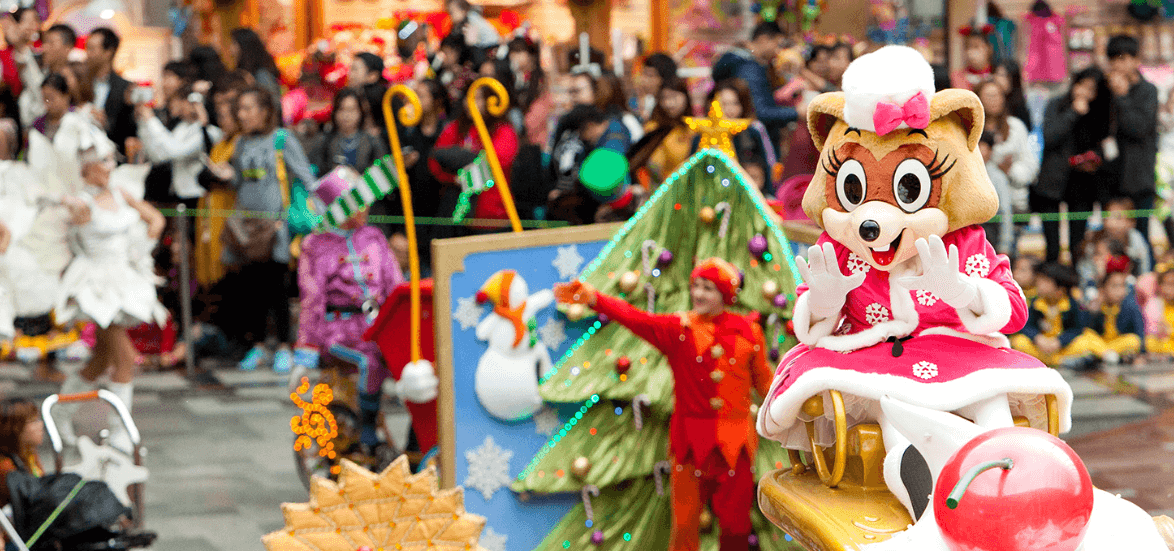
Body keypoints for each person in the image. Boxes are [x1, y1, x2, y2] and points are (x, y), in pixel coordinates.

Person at [555, 258, 771, 551]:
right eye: (695, 286)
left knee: (736, 529)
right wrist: (595, 299)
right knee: (683, 528)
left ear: (725, 295)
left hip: (736, 446)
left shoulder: (749, 331)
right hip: (689, 446)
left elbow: (767, 386)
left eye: (707, 288)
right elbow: (635, 318)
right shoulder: (678, 329)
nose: (698, 294)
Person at [52, 135, 167, 454]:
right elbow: (69, 228)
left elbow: (156, 219)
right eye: (103, 161)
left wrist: (141, 247)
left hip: (125, 278)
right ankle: (119, 433)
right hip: (97, 287)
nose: (110, 166)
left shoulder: (121, 192)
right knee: (125, 358)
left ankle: (60, 414)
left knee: (102, 358)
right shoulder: (81, 202)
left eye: (110, 160)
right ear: (87, 167)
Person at [294, 168, 415, 456]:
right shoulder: (316, 246)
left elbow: (394, 284)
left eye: (363, 200)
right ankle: (368, 430)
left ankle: (418, 438)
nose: (363, 208)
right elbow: (312, 300)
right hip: (336, 332)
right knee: (370, 360)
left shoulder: (373, 238)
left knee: (413, 361)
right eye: (353, 203)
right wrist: (306, 348)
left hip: (375, 324)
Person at [210, 85, 315, 371]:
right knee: (249, 287)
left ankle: (283, 345)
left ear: (265, 111)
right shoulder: (241, 143)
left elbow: (306, 177)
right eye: (239, 109)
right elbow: (240, 183)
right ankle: (257, 345)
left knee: (276, 287)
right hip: (246, 227)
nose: (241, 115)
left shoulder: (282, 140)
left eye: (247, 108)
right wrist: (227, 175)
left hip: (275, 227)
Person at [1033, 67, 1113, 262]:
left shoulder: (1100, 112)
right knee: (1052, 244)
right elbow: (1049, 137)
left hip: (1083, 182)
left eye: (1091, 89)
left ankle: (1075, 280)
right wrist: (1073, 113)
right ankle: (1051, 277)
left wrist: (1095, 159)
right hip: (1053, 182)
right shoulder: (1057, 104)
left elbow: (1107, 144)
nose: (1084, 92)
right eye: (1081, 85)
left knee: (1077, 242)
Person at [428, 83, 519, 228]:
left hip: (492, 214)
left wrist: (465, 162)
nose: (470, 103)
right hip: (458, 215)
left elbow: (497, 162)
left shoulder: (504, 131)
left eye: (477, 98)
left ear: (491, 101)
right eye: (468, 97)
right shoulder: (456, 127)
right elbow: (434, 160)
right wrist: (454, 179)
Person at [1105, 34, 1159, 249]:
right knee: (1114, 240)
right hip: (1112, 178)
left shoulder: (1148, 91)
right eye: (1114, 59)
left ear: (1136, 60)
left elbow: (1139, 128)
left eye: (1123, 58)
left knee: (1140, 238)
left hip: (1140, 180)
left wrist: (1123, 96)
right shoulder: (1106, 90)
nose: (1118, 64)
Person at [712, 22, 795, 155]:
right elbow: (759, 111)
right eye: (777, 44)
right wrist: (796, 112)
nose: (778, 50)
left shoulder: (742, 62)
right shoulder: (749, 68)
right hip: (751, 144)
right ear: (763, 39)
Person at [136, 82, 222, 206]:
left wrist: (151, 120)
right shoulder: (182, 127)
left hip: (196, 196)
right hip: (177, 195)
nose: (173, 106)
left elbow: (174, 151)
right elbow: (159, 156)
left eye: (178, 101)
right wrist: (143, 122)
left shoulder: (210, 132)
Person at [1010, 262, 1099, 367]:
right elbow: (1026, 326)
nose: (1039, 284)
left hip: (1061, 346)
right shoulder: (1036, 302)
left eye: (1045, 282)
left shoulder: (1072, 304)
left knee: (1085, 341)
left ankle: (1044, 361)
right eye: (1039, 280)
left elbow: (1077, 329)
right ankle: (1061, 361)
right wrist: (1037, 338)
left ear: (1060, 289)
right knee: (1019, 341)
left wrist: (1060, 341)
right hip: (1041, 345)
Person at [695, 79, 777, 191]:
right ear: (711, 105)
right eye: (723, 104)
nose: (730, 109)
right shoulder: (702, 134)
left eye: (735, 103)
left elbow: (768, 167)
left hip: (748, 194)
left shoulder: (753, 131)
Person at [975, 78, 1037, 219]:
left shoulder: (1016, 127)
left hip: (1015, 204)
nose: (994, 100)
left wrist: (1009, 169)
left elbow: (1031, 169)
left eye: (998, 95)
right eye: (989, 96)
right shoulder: (970, 130)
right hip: (980, 206)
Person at [630, 78, 694, 187]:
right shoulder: (653, 128)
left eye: (674, 96)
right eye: (664, 98)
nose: (669, 103)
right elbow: (652, 165)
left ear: (686, 97)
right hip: (659, 189)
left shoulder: (694, 128)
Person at [309, 88, 388, 176]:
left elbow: (382, 173)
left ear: (360, 112)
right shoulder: (324, 141)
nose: (346, 115)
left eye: (351, 110)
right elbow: (316, 172)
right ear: (334, 112)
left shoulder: (372, 141)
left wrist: (359, 178)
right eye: (341, 109)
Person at [85, 27, 136, 157]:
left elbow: (130, 131)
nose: (87, 54)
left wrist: (106, 124)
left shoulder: (125, 87)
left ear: (108, 52)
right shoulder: (81, 83)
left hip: (113, 156)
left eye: (92, 49)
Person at [1082, 260, 1145, 366]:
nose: (1119, 291)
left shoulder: (1130, 306)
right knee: (1086, 336)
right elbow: (1086, 329)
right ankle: (1110, 356)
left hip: (1116, 344)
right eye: (1114, 286)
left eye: (1122, 286)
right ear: (1102, 289)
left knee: (1133, 341)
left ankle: (1105, 356)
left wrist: (1141, 354)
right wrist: (1095, 310)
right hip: (1100, 343)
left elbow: (1139, 333)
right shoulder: (1096, 305)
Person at [506, 36, 554, 149]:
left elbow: (541, 109)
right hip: (518, 139)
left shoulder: (539, 78)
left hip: (536, 139)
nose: (514, 56)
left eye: (519, 51)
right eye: (512, 52)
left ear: (530, 54)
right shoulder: (512, 77)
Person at [229, 28, 282, 106]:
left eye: (234, 43)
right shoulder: (245, 72)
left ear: (243, 46)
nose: (231, 49)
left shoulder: (261, 74)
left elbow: (273, 103)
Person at [349, 52, 389, 136]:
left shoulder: (379, 95)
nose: (350, 74)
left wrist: (380, 132)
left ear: (372, 75)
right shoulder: (357, 92)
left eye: (355, 69)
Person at [634, 52, 677, 120]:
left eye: (649, 75)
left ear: (663, 79)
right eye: (643, 74)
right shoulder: (649, 100)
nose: (643, 79)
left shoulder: (672, 105)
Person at [993, 59, 1033, 131]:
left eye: (1002, 75)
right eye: (997, 74)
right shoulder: (989, 98)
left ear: (1013, 79)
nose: (997, 79)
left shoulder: (1019, 106)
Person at [31, 73, 73, 141]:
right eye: (45, 99)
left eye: (52, 98)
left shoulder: (77, 119)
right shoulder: (38, 125)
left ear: (65, 96)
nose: (48, 103)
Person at [951, 25, 994, 90]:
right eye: (967, 47)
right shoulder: (958, 77)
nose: (970, 52)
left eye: (976, 47)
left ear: (989, 49)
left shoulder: (998, 74)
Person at [1144, 265, 1174, 356]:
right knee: (1149, 342)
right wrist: (1158, 330)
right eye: (1167, 284)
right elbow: (1148, 330)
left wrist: (1170, 331)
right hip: (1162, 343)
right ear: (1160, 286)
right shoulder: (1154, 304)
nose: (1170, 288)